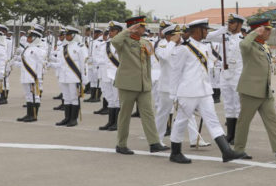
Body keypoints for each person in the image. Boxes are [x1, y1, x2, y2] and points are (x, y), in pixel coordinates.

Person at [166, 18, 244, 164]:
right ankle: (175, 152)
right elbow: (175, 72)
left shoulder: (204, 47)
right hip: (188, 91)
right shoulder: (184, 48)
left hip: (204, 91)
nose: (207, 32)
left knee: (213, 121)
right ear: (197, 30)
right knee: (181, 121)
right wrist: (173, 94)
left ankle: (226, 152)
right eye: (205, 29)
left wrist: (225, 28)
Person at [233, 18, 276, 160]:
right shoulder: (249, 45)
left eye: (269, 29)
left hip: (264, 90)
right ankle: (238, 150)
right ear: (259, 30)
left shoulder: (264, 45)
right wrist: (254, 33)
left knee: (272, 120)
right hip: (250, 90)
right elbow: (243, 45)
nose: (269, 32)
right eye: (266, 29)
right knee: (244, 121)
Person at [112, 16, 168, 155]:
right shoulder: (123, 41)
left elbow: (147, 64)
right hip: (127, 84)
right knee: (125, 115)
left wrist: (148, 81)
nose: (144, 29)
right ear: (135, 27)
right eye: (141, 26)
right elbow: (114, 41)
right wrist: (127, 30)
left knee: (148, 114)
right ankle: (121, 144)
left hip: (143, 85)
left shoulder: (145, 42)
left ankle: (154, 143)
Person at [205, 13, 246, 144]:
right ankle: (230, 135)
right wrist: (221, 30)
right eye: (229, 23)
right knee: (228, 105)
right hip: (225, 74)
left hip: (238, 75)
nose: (230, 25)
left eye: (232, 23)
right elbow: (206, 37)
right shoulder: (224, 36)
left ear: (239, 24)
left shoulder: (243, 38)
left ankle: (238, 136)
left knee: (238, 106)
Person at [49, 26, 88, 127]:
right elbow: (61, 63)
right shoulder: (63, 47)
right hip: (64, 77)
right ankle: (67, 118)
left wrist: (84, 79)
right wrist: (51, 64)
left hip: (74, 77)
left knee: (74, 98)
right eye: (66, 34)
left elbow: (84, 64)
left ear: (74, 35)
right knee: (66, 98)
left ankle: (73, 119)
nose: (66, 36)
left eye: (69, 35)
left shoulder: (80, 47)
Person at [13, 29, 46, 122]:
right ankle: (29, 114)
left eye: (30, 37)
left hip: (33, 77)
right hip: (25, 76)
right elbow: (26, 63)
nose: (27, 38)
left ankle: (34, 115)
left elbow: (41, 64)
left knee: (35, 96)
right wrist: (15, 63)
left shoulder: (39, 50)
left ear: (35, 38)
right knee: (28, 96)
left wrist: (38, 77)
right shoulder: (27, 49)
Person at [98, 21, 124, 131]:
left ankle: (117, 123)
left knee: (117, 100)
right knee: (110, 99)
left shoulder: (123, 44)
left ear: (119, 32)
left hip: (117, 75)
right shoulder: (104, 45)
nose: (110, 33)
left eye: (113, 31)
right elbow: (99, 59)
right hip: (105, 75)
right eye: (110, 31)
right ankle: (110, 121)